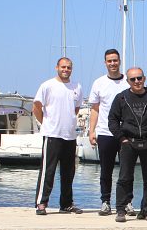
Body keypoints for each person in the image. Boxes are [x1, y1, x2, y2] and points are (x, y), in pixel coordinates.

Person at [107, 66, 147, 223]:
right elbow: (112, 120)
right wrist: (121, 138)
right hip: (128, 142)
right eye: (133, 79)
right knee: (125, 177)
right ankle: (121, 210)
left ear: (144, 78)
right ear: (128, 81)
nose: (137, 81)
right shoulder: (121, 98)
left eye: (139, 78)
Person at [33, 57, 83, 215]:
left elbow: (75, 109)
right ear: (57, 68)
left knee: (68, 173)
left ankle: (66, 204)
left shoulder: (77, 87)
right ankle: (41, 203)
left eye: (68, 67)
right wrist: (46, 123)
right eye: (63, 67)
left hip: (70, 135)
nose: (66, 70)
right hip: (52, 134)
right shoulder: (47, 85)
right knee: (48, 170)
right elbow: (36, 107)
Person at [87, 49, 129, 216]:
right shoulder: (99, 83)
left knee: (127, 170)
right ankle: (105, 201)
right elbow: (95, 110)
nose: (113, 63)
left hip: (126, 133)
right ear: (105, 63)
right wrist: (91, 131)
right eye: (109, 61)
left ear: (119, 62)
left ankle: (127, 202)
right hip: (105, 132)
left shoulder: (129, 81)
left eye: (115, 60)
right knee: (106, 170)